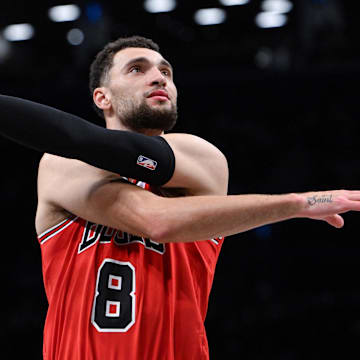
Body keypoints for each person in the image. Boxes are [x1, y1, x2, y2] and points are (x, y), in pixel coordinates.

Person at [1, 35, 360, 360]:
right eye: (137, 69)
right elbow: (155, 217)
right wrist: (294, 204)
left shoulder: (202, 158)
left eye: (167, 73)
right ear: (102, 96)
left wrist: (296, 203)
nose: (159, 78)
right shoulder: (61, 164)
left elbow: (158, 218)